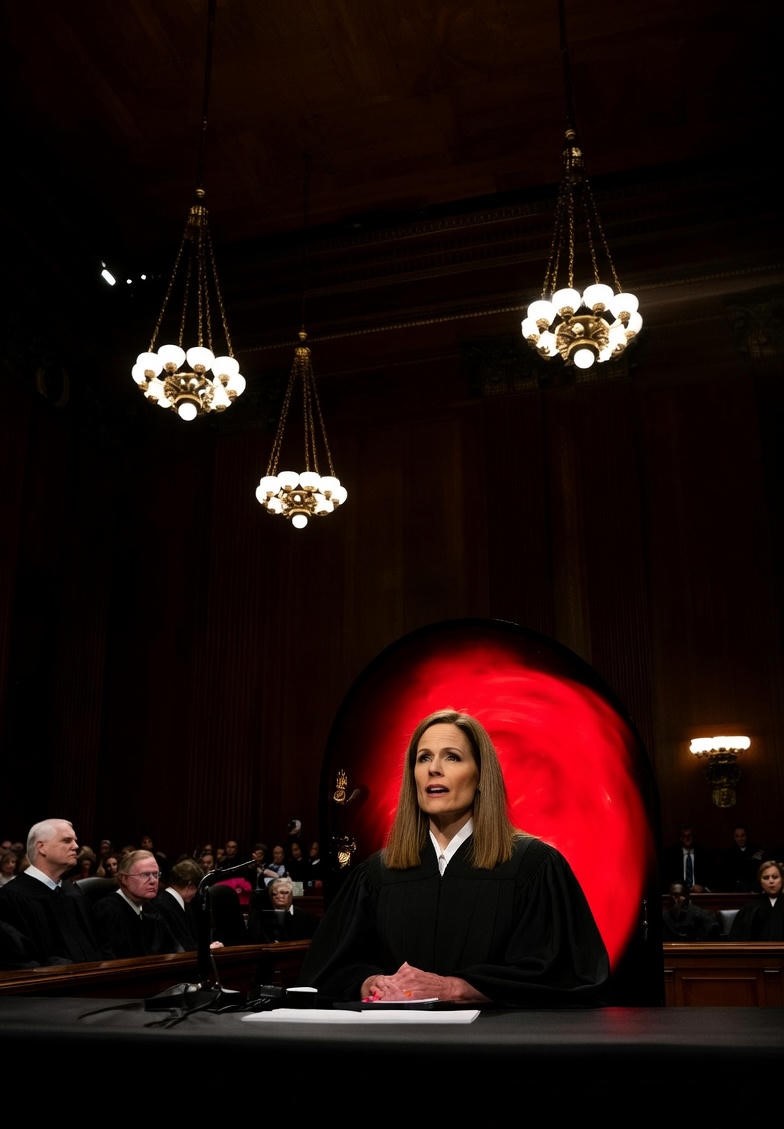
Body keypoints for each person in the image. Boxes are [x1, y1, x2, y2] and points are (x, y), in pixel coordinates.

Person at [297, 707, 610, 1006]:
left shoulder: (533, 866)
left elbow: (568, 974)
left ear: (480, 777)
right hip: (397, 1050)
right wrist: (372, 983)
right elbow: (327, 970)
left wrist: (455, 988)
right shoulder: (378, 874)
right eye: (423, 758)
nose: (434, 768)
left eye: (452, 757)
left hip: (494, 1050)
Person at [0, 818, 103, 965]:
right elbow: (19, 960)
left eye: (75, 840)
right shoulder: (11, 897)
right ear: (42, 847)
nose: (76, 846)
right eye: (67, 840)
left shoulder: (73, 893)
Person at [92, 849, 180, 958]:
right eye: (145, 875)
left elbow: (174, 948)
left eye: (156, 874)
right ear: (124, 879)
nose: (153, 881)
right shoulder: (106, 910)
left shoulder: (151, 909)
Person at [150, 857, 224, 953]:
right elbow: (176, 947)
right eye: (197, 888)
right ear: (190, 885)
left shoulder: (175, 903)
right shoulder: (163, 906)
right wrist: (207, 949)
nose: (196, 894)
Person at [247, 875, 321, 943]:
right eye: (275, 893)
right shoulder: (260, 917)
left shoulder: (306, 916)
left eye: (284, 892)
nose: (280, 896)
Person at [728, 859, 784, 940]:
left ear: (782, 879)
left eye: (775, 877)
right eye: (766, 878)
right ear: (760, 881)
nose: (771, 881)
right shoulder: (750, 909)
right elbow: (736, 938)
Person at [661, 825, 716, 892]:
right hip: (678, 896)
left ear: (694, 837)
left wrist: (703, 888)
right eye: (684, 836)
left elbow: (712, 878)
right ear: (680, 838)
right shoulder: (671, 856)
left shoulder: (704, 855)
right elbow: (666, 879)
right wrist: (675, 888)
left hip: (699, 896)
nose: (687, 838)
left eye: (690, 835)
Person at [716, 825, 766, 892]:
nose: (740, 839)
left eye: (742, 835)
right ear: (734, 838)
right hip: (736, 889)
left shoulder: (756, 850)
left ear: (746, 836)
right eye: (737, 836)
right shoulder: (728, 854)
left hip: (754, 888)